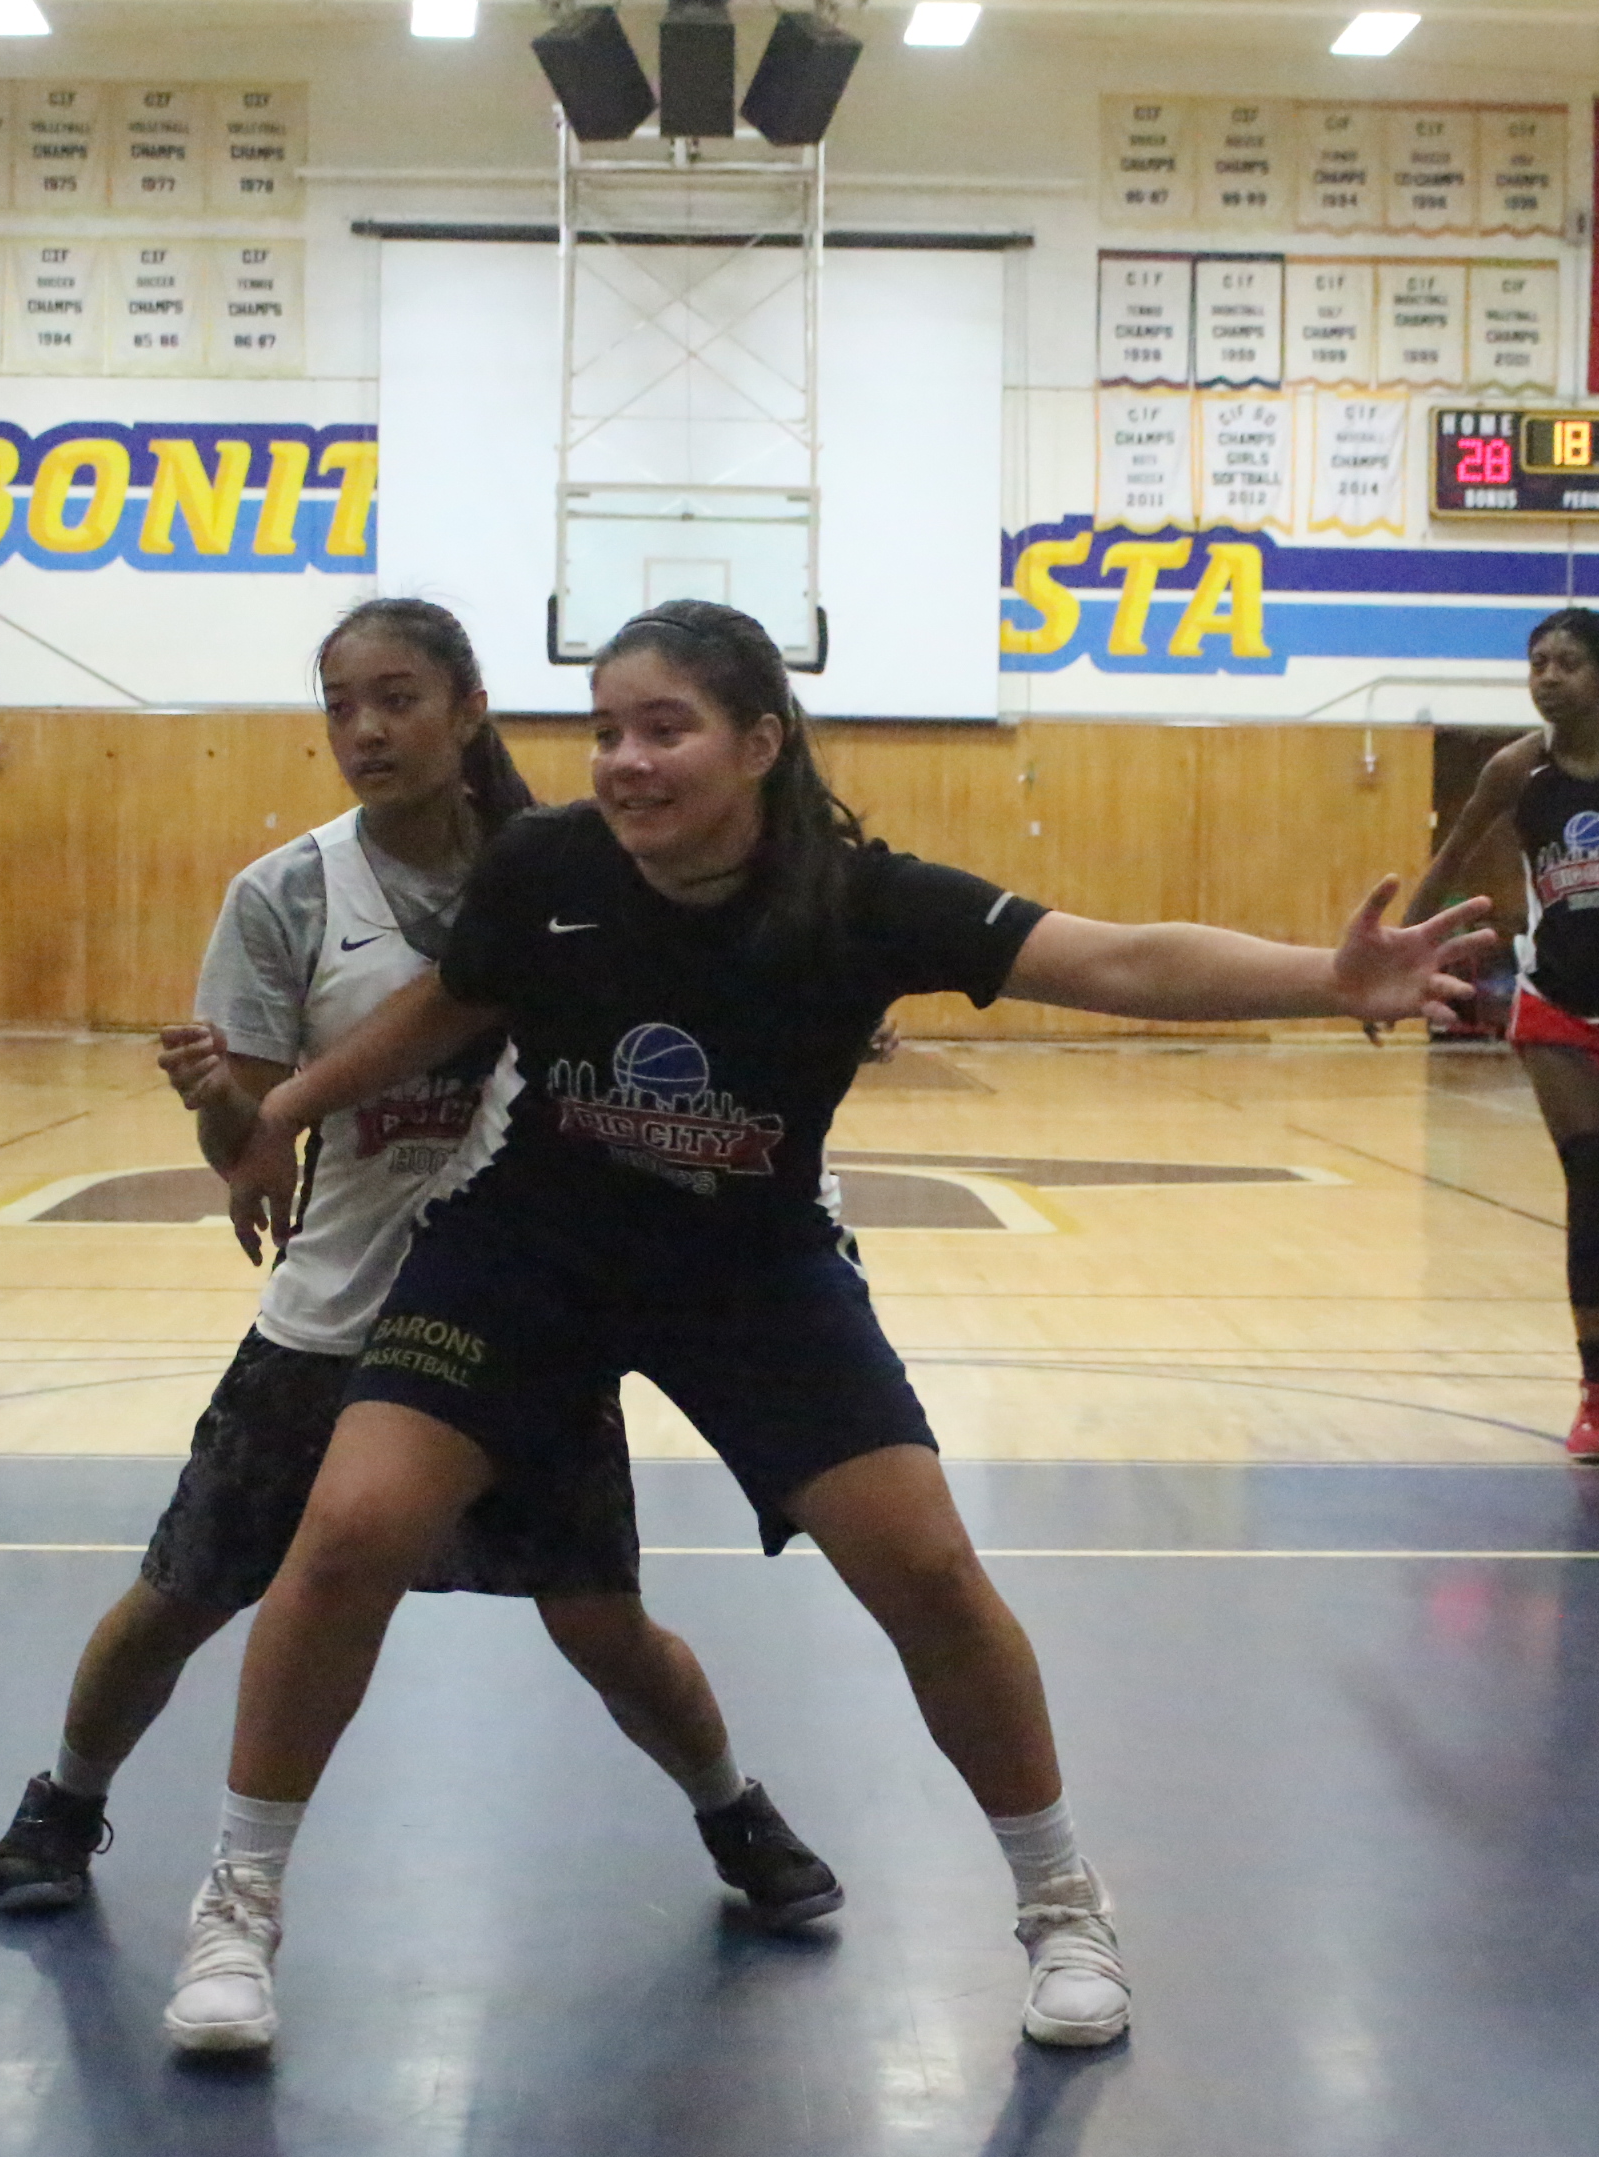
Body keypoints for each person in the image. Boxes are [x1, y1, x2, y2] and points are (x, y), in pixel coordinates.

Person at [162, 599, 1493, 2057]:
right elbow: (441, 1011)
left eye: (665, 728)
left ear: (760, 743)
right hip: (532, 1245)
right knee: (349, 1531)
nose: (624, 760)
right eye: (605, 730)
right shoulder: (543, 867)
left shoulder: (860, 899)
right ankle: (237, 1911)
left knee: (923, 1567)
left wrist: (1328, 978)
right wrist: (276, 1112)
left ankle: (1063, 1909)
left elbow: (1110, 960)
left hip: (748, 1268)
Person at [0, 598, 842, 1936]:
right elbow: (253, 1143)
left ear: (470, 710)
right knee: (187, 1591)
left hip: (526, 1312)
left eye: (396, 699)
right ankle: (66, 1801)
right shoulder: (287, 894)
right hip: (339, 1313)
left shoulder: (584, 867)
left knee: (602, 1621)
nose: (365, 730)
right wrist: (221, 1107)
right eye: (340, 705)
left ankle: (734, 1808)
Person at [1406, 608, 1599, 1463]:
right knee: (1594, 1188)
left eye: (1566, 662)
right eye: (1536, 660)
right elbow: (1451, 859)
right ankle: (1595, 1388)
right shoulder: (1515, 768)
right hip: (1561, 1005)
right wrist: (1390, 960)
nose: (1546, 675)